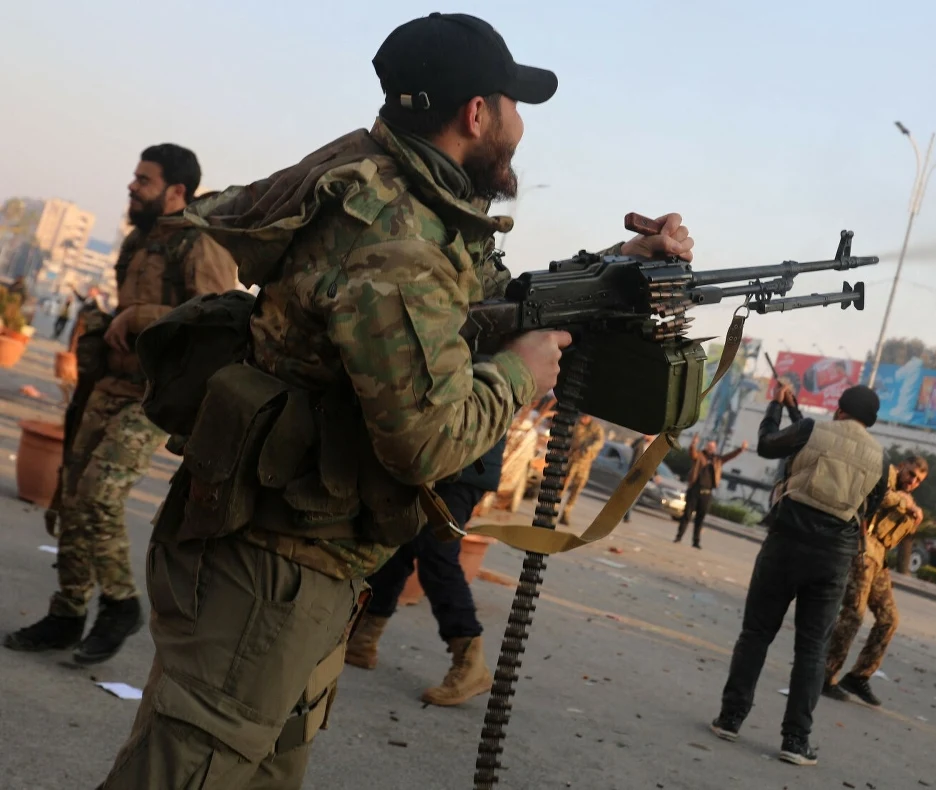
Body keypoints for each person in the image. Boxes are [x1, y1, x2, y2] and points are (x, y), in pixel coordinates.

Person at [96, 13, 694, 788]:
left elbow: (460, 308)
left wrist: (616, 268)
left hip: (300, 555)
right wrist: (520, 374)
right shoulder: (397, 236)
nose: (519, 127)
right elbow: (427, 439)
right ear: (477, 114)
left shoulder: (377, 175)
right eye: (513, 107)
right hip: (271, 568)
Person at [4, 144, 238, 665]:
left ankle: (119, 604)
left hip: (157, 399)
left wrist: (139, 317)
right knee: (71, 493)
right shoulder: (138, 240)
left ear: (177, 190)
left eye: (144, 180)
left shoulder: (201, 244)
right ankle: (66, 613)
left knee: (102, 493)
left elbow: (221, 319)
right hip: (111, 385)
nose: (132, 187)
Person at [710, 383, 888, 767]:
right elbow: (869, 509)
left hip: (786, 544)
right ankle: (795, 740)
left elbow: (771, 444)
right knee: (811, 650)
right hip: (833, 560)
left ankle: (730, 719)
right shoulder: (881, 458)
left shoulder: (812, 428)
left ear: (839, 409)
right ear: (870, 421)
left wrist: (776, 405)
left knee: (756, 633)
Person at [344, 435, 507, 710]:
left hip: (464, 460)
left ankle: (469, 661)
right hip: (437, 455)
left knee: (437, 554)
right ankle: (363, 639)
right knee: (399, 544)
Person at [823, 454, 928, 707]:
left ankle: (860, 675)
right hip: (862, 549)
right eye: (911, 474)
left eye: (918, 480)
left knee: (889, 619)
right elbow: (878, 496)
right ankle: (825, 674)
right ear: (902, 467)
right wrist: (907, 506)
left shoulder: (907, 498)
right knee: (854, 614)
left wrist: (914, 516)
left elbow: (900, 533)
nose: (912, 481)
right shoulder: (885, 476)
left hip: (879, 558)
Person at [676, 436, 747, 548]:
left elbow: (729, 457)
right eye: (709, 446)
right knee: (687, 515)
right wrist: (693, 444)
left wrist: (740, 449)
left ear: (715, 448)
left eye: (713, 447)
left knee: (700, 518)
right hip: (695, 490)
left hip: (707, 493)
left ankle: (696, 542)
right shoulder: (699, 456)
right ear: (706, 447)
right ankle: (679, 536)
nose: (710, 448)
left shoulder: (717, 460)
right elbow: (692, 454)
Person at [559, 414, 606, 526]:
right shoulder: (575, 424)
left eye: (586, 417)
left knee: (577, 489)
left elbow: (599, 442)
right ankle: (553, 509)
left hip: (584, 463)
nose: (583, 419)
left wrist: (587, 448)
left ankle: (566, 512)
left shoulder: (596, 428)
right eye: (582, 417)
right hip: (571, 460)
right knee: (561, 486)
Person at [624, 433, 654, 522]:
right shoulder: (640, 443)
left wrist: (655, 474)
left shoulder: (653, 448)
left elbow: (652, 462)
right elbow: (633, 446)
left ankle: (627, 514)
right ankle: (625, 514)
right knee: (628, 494)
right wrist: (642, 438)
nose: (651, 437)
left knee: (635, 496)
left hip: (643, 475)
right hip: (634, 472)